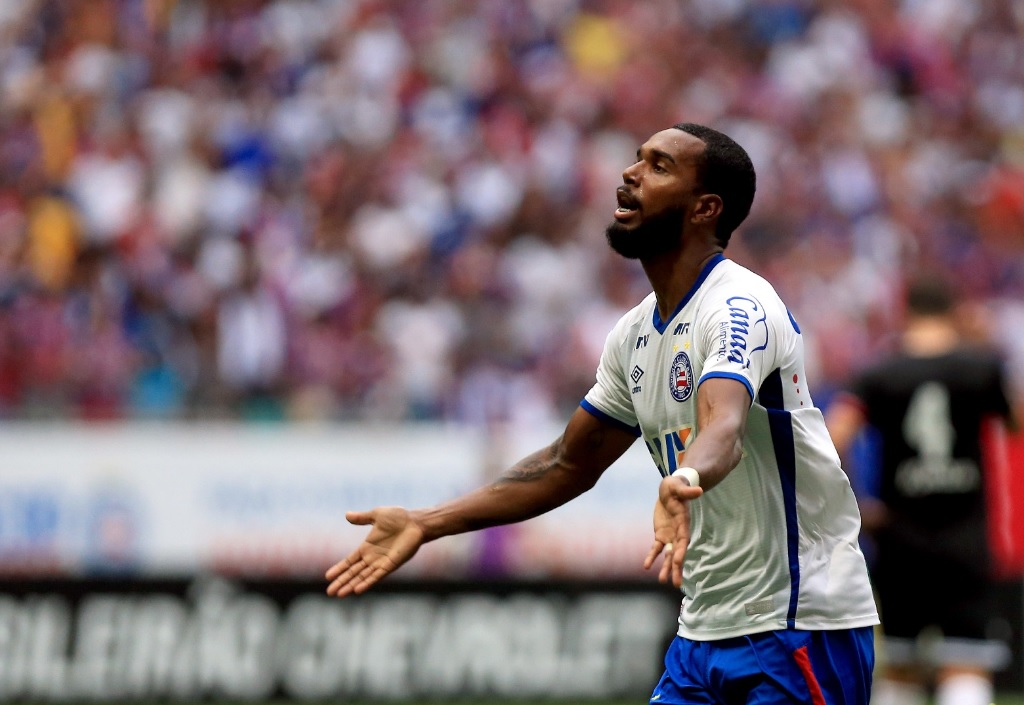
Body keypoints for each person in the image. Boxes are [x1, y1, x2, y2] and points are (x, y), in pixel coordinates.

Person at [327, 123, 879, 704]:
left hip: (800, 627)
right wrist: (427, 522)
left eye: (659, 166)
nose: (630, 173)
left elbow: (725, 425)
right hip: (703, 633)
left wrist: (684, 477)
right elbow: (569, 462)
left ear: (705, 208)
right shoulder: (634, 335)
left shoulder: (740, 305)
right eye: (637, 159)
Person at [827, 275, 1019, 705]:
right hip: (967, 537)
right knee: (966, 662)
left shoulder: (878, 373)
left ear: (905, 311)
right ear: (952, 311)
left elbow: (834, 437)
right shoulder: (981, 368)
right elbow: (1013, 422)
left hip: (900, 539)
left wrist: (855, 503)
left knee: (900, 667)